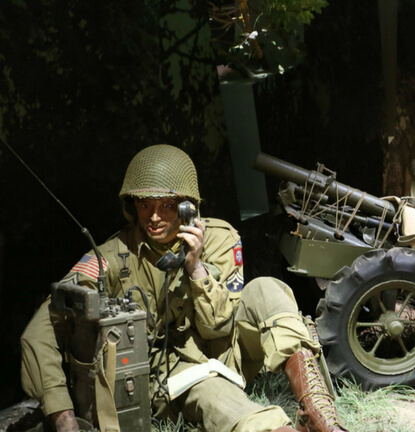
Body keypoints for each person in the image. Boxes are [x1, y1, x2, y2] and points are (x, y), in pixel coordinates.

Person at [20, 144, 348, 432]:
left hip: (224, 349)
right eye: (145, 204)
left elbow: (217, 324)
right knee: (223, 402)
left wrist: (195, 267)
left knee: (267, 288)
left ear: (188, 206)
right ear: (131, 205)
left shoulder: (219, 239)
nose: (155, 217)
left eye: (167, 205)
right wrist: (64, 418)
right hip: (175, 375)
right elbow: (40, 331)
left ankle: (322, 417)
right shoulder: (111, 257)